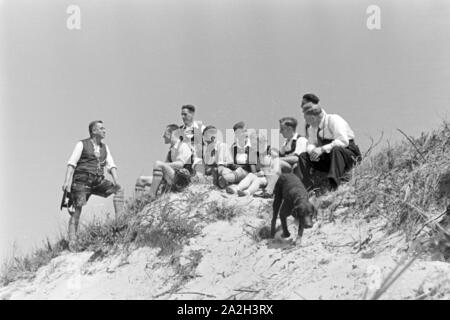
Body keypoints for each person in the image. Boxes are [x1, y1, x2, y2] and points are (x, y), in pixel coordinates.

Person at [62, 120, 124, 251]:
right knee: (77, 209)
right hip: (81, 181)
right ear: (93, 131)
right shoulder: (81, 144)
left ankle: (120, 223)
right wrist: (67, 182)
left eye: (104, 128)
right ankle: (72, 241)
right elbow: (72, 163)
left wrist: (116, 180)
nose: (104, 130)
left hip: (97, 181)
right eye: (101, 128)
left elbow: (111, 164)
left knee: (119, 190)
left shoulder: (104, 148)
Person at [297, 104, 362, 191]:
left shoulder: (334, 120)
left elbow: (343, 141)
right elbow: (310, 144)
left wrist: (322, 149)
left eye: (306, 118)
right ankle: (309, 188)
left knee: (336, 150)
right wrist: (313, 151)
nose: (305, 120)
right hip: (330, 157)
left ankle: (335, 185)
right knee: (303, 156)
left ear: (313, 117)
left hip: (349, 155)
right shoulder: (313, 128)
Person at [135, 124, 193, 199]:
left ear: (171, 134)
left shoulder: (183, 146)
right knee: (140, 180)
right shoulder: (171, 151)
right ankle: (137, 204)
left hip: (181, 180)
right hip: (171, 177)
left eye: (165, 133)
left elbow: (180, 164)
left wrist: (163, 165)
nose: (163, 136)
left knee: (158, 164)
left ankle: (151, 196)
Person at [217, 121, 256, 190]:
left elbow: (253, 170)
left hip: (246, 174)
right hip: (235, 172)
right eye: (243, 132)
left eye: (246, 131)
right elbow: (231, 163)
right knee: (225, 170)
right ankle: (227, 179)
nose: (246, 133)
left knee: (240, 171)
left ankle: (225, 179)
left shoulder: (252, 147)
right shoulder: (234, 148)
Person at [180, 104, 205, 173]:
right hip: (183, 162)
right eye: (182, 114)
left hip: (197, 161)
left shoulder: (201, 128)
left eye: (185, 114)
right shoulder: (179, 131)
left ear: (192, 114)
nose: (183, 117)